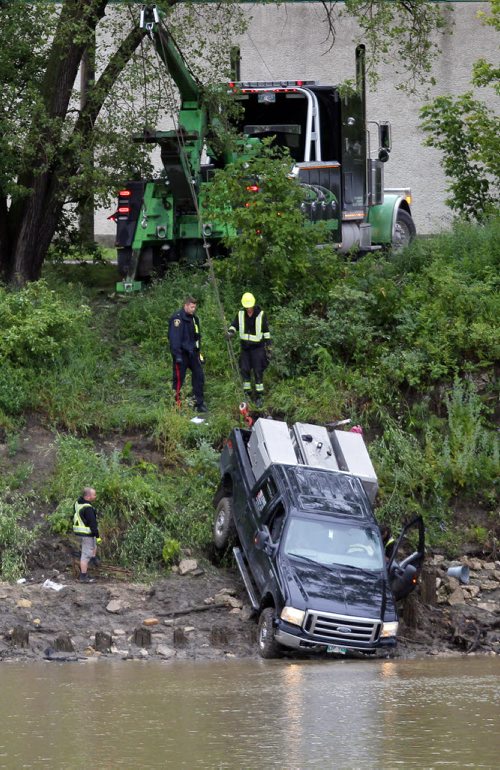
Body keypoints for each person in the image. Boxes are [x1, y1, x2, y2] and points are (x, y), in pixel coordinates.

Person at [226, 292, 271, 407]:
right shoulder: (240, 313)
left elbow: (266, 331)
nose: (248, 309)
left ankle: (259, 396)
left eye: (249, 307)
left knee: (257, 371)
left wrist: (269, 347)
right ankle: (247, 393)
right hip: (245, 348)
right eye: (246, 307)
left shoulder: (261, 314)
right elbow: (234, 325)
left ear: (253, 304)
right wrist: (230, 332)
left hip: (258, 348)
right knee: (244, 370)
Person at [168, 296, 207, 413]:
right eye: (191, 307)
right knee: (179, 379)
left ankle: (198, 403)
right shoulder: (177, 319)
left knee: (199, 376)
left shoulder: (194, 319)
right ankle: (176, 405)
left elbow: (197, 337)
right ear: (185, 305)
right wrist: (177, 355)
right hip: (182, 354)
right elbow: (174, 339)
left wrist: (199, 354)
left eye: (194, 307)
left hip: (193, 353)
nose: (193, 309)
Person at [73, 487, 100, 583]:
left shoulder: (78, 503)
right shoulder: (88, 508)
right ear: (88, 496)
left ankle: (92, 559)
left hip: (79, 532)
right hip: (86, 533)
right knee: (85, 555)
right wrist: (97, 535)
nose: (95, 496)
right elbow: (92, 523)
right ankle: (83, 576)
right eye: (94, 495)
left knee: (91, 549)